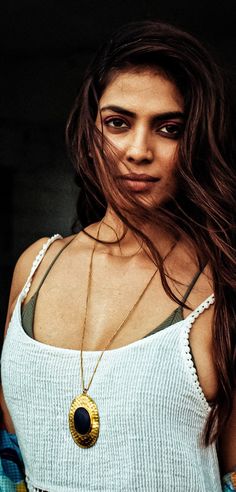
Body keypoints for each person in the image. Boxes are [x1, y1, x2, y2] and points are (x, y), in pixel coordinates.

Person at [0, 19, 235, 491]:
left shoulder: (221, 288)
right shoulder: (35, 268)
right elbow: (12, 458)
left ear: (195, 142)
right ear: (91, 130)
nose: (137, 150)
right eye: (118, 123)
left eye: (169, 128)